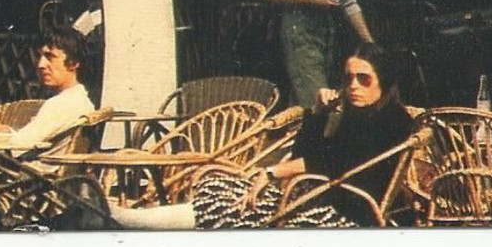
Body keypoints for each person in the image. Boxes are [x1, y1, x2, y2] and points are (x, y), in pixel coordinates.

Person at [110, 44, 416, 231]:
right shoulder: (356, 115)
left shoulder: (393, 121)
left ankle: (126, 222)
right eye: (348, 78)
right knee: (223, 186)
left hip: (346, 216)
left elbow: (332, 164)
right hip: (315, 197)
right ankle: (129, 220)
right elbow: (307, 153)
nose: (353, 86)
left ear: (384, 83)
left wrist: (271, 172)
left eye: (364, 79)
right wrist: (317, 113)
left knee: (237, 205)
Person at [0, 27, 95, 155]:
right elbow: (27, 137)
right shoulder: (81, 100)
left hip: (33, 172)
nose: (41, 64)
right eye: (39, 56)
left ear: (74, 63)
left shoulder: (62, 104)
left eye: (50, 57)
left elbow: (20, 145)